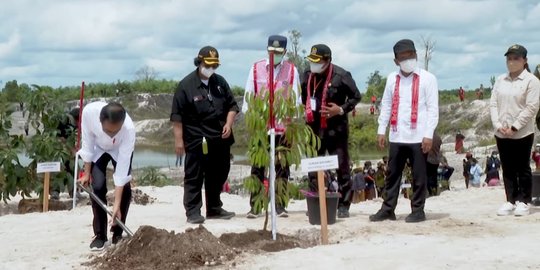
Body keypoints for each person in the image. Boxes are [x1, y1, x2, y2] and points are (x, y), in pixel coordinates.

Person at [370, 39, 439, 223]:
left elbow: (433, 109)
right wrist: (380, 130)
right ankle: (388, 209)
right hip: (397, 134)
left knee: (418, 175)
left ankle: (418, 210)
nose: (408, 59)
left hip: (419, 136)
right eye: (403, 57)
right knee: (392, 174)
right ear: (396, 61)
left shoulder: (428, 78)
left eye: (411, 55)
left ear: (416, 55)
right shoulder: (392, 78)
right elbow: (386, 104)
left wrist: (428, 134)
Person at [170, 46, 239, 224]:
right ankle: (193, 211)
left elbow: (232, 106)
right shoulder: (186, 86)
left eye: (215, 65)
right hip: (196, 139)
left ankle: (214, 207)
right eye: (208, 65)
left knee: (219, 173)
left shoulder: (220, 82)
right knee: (194, 175)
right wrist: (179, 141)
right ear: (199, 62)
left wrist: (229, 124)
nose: (211, 69)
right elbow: (177, 117)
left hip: (220, 139)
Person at [242, 35, 301, 218]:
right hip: (261, 128)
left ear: (284, 52)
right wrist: (253, 123)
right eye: (271, 51)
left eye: (278, 52)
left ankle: (280, 205)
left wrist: (292, 128)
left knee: (282, 168)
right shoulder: (255, 69)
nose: (274, 55)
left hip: (283, 129)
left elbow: (296, 100)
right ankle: (256, 206)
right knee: (258, 167)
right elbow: (247, 98)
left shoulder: (292, 71)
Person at [301, 44, 361, 218]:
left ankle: (343, 205)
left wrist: (341, 109)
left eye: (317, 61)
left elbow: (356, 96)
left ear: (327, 60)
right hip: (313, 129)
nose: (313, 65)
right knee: (313, 167)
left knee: (341, 167)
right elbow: (303, 97)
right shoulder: (307, 75)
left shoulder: (342, 76)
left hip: (336, 130)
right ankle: (316, 201)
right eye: (311, 61)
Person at [77, 102, 135, 251]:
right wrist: (87, 173)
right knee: (97, 186)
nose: (111, 135)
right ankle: (100, 235)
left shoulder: (129, 129)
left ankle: (117, 233)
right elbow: (88, 143)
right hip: (98, 149)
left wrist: (116, 205)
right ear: (100, 121)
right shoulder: (89, 113)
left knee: (125, 190)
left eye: (115, 132)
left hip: (119, 151)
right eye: (107, 131)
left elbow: (121, 172)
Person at [491, 44, 540, 216]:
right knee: (508, 167)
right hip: (501, 131)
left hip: (522, 132)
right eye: (509, 58)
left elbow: (532, 107)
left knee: (522, 166)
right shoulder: (500, 80)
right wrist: (498, 125)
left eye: (516, 58)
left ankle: (524, 200)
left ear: (525, 60)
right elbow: (494, 103)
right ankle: (510, 199)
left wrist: (515, 126)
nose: (512, 62)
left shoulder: (532, 81)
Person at [52, 108, 80, 200]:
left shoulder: (73, 125)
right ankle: (55, 192)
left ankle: (73, 191)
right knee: (60, 169)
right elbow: (59, 137)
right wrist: (70, 149)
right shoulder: (64, 121)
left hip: (69, 149)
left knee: (73, 168)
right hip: (60, 149)